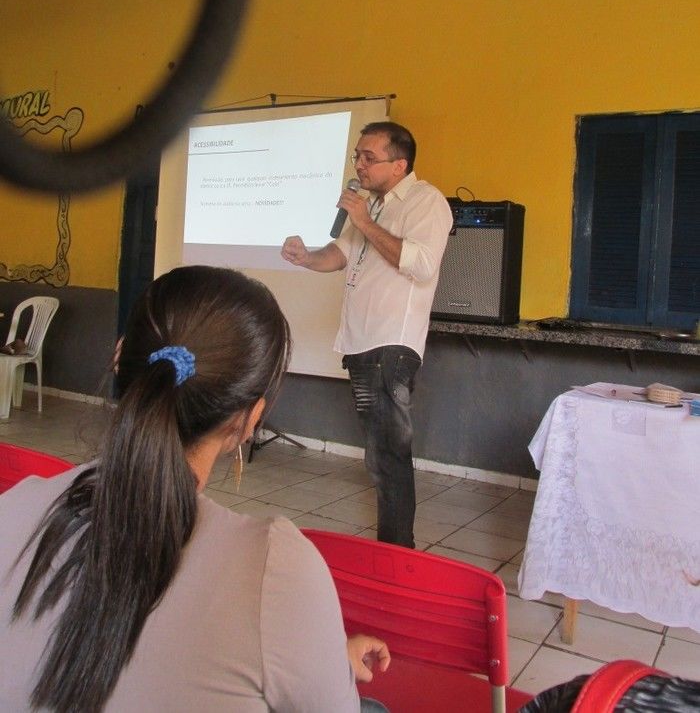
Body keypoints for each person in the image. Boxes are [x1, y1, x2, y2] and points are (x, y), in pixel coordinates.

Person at [0, 265, 390, 712]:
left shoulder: (16, 505)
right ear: (249, 419)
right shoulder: (276, 569)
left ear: (119, 359)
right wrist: (322, 658)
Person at [282, 121, 452, 548]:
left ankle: (397, 553)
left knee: (389, 456)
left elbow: (421, 264)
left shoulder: (425, 201)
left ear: (399, 165)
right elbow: (340, 255)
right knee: (380, 456)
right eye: (356, 156)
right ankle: (392, 548)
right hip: (361, 343)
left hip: (391, 344)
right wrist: (305, 258)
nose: (358, 164)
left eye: (368, 157)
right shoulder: (371, 205)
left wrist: (362, 220)